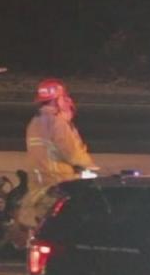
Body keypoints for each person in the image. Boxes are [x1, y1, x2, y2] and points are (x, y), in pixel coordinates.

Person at [18, 78, 97, 228]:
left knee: (39, 224)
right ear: (59, 100)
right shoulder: (57, 123)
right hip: (58, 181)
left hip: (38, 182)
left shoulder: (35, 122)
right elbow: (72, 153)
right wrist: (90, 167)